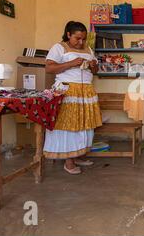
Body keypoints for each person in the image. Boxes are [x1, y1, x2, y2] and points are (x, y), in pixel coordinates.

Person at [44, 21, 102, 175]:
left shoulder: (88, 49)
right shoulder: (59, 47)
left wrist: (93, 65)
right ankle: (68, 162)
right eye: (77, 38)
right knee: (68, 125)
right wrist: (71, 63)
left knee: (84, 123)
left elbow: (95, 71)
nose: (81, 42)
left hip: (86, 91)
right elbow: (49, 68)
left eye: (83, 38)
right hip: (67, 90)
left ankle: (78, 155)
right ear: (68, 34)